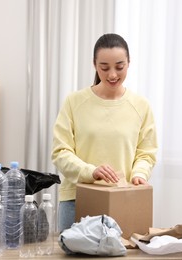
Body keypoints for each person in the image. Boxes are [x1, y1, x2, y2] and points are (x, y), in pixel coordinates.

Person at [51, 33, 158, 232]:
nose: (112, 75)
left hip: (123, 199)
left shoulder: (141, 106)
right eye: (104, 67)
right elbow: (60, 152)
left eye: (119, 67)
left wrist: (139, 174)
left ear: (128, 63)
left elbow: (146, 153)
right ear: (94, 65)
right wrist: (90, 171)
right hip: (77, 198)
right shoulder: (74, 102)